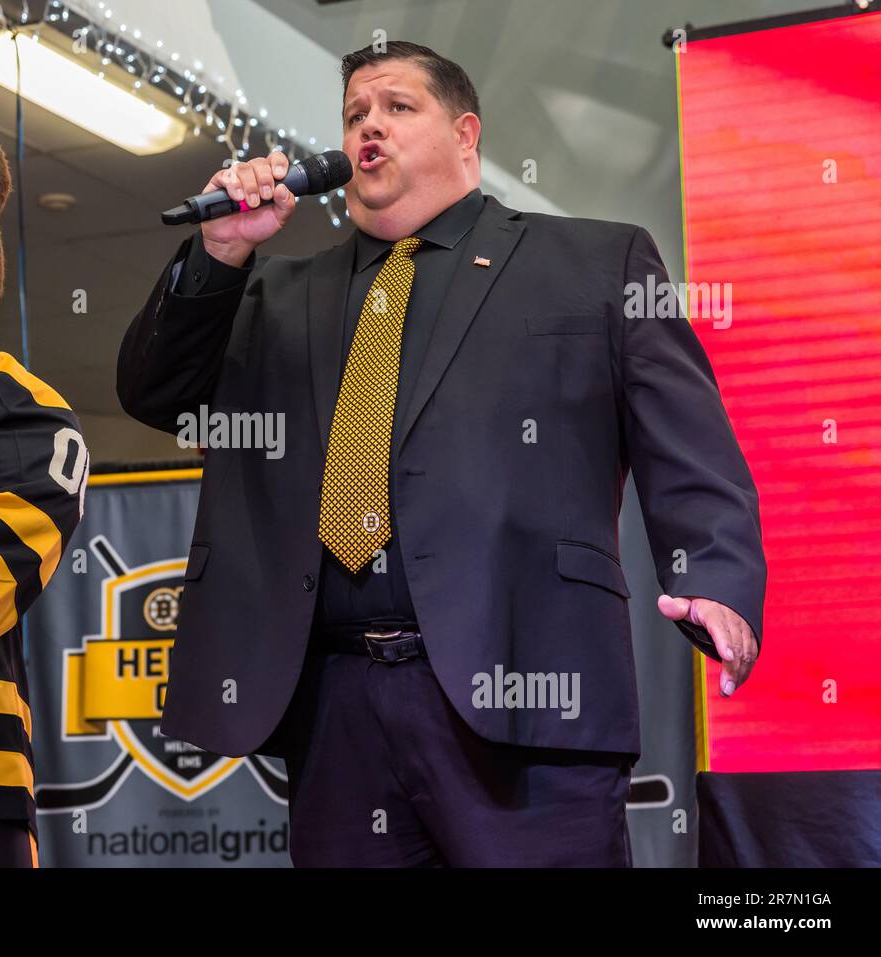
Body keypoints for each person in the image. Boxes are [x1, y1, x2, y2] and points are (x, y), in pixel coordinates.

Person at [117, 41, 766, 866]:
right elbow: (156, 394)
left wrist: (717, 579)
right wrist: (222, 254)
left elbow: (690, 445)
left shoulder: (595, 262)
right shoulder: (275, 294)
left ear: (466, 134)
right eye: (354, 115)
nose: (368, 129)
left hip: (530, 690)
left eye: (396, 107)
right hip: (335, 705)